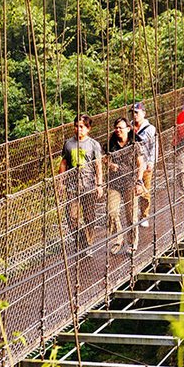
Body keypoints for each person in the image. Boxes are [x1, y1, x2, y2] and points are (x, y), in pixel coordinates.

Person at [58, 114, 104, 255]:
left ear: (88, 129)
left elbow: (98, 166)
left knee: (89, 217)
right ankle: (82, 242)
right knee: (71, 217)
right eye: (77, 126)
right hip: (72, 187)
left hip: (89, 186)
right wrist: (60, 182)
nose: (79, 129)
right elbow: (64, 162)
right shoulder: (68, 143)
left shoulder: (94, 145)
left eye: (82, 127)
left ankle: (88, 244)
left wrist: (99, 184)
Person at [105, 118, 146, 254]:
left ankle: (132, 242)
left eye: (121, 128)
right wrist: (110, 165)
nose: (118, 130)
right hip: (114, 183)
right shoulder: (111, 143)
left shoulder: (134, 144)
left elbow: (141, 165)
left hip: (130, 182)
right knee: (112, 212)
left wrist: (140, 182)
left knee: (131, 215)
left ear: (128, 129)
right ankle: (119, 239)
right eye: (116, 128)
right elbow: (104, 159)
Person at [131, 102, 158, 227]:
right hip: (132, 166)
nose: (134, 115)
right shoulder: (128, 127)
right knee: (131, 191)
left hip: (146, 164)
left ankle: (144, 215)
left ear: (144, 113)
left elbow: (154, 147)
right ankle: (133, 215)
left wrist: (152, 162)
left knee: (145, 190)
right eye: (133, 112)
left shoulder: (150, 129)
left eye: (137, 112)